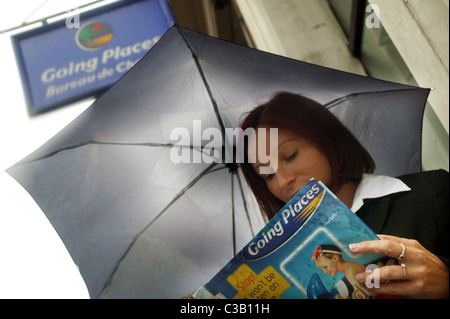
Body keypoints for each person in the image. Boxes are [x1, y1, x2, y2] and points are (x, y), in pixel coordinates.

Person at [239, 92, 449, 299]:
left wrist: (445, 281)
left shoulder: (430, 194)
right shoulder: (290, 268)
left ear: (325, 139)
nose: (283, 180)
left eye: (290, 155)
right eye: (267, 175)